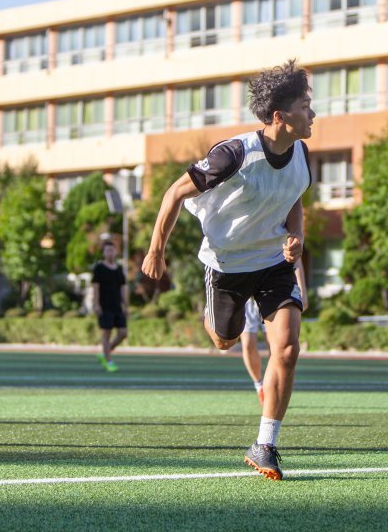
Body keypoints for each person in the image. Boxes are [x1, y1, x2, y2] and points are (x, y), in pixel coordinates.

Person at [141, 60, 313, 480]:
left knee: (287, 348)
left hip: (273, 263)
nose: (312, 113)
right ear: (280, 117)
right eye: (305, 106)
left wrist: (295, 236)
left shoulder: (302, 152)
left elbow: (295, 196)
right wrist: (155, 249)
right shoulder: (233, 154)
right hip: (228, 265)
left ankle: (265, 444)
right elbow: (175, 192)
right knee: (223, 340)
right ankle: (212, 317)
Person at [240, 260, 307, 405]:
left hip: (272, 289)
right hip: (246, 290)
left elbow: (295, 255)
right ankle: (259, 385)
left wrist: (301, 288)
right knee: (247, 344)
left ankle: (271, 386)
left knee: (276, 345)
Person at [92, 239, 128, 372]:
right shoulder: (99, 268)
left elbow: (123, 289)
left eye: (112, 250)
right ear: (103, 252)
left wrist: (126, 305)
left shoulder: (119, 270)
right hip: (104, 306)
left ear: (115, 252)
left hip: (117, 306)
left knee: (123, 333)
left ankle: (105, 353)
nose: (110, 253)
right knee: (107, 333)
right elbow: (95, 288)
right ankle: (109, 361)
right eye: (107, 250)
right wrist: (96, 304)